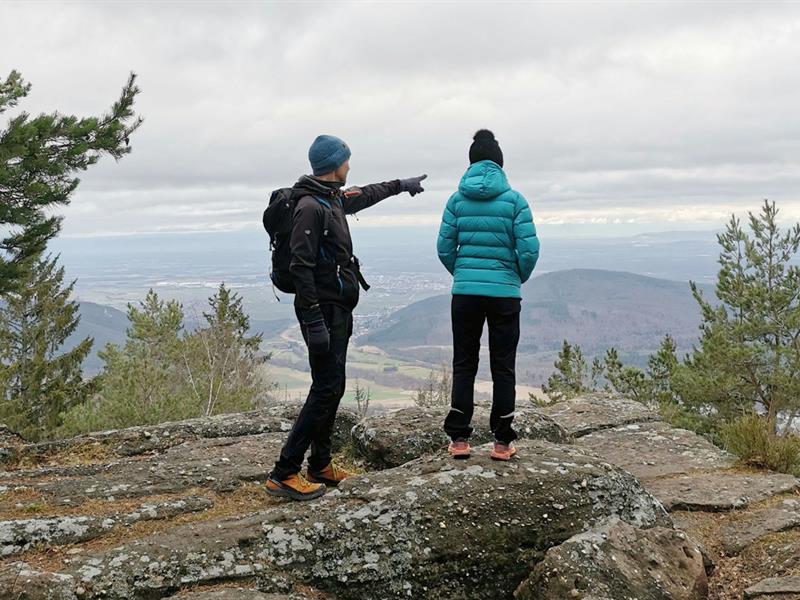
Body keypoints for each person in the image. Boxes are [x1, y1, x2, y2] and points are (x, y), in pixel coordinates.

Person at [266, 134, 426, 500]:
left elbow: (366, 193)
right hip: (321, 310)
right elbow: (300, 266)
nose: (349, 165)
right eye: (345, 160)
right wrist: (312, 321)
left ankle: (320, 464)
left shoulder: (332, 198)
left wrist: (401, 185)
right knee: (325, 387)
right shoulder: (311, 207)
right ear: (333, 165)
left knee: (333, 386)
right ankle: (284, 472)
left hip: (336, 307)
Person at [437, 129, 539, 461]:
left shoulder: (456, 201)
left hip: (465, 294)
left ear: (471, 163)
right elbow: (529, 250)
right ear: (499, 163)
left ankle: (459, 439)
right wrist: (514, 277)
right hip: (505, 295)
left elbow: (444, 248)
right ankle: (502, 442)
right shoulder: (516, 201)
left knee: (464, 362)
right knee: (503, 365)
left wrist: (463, 274)